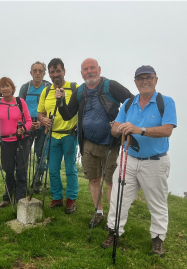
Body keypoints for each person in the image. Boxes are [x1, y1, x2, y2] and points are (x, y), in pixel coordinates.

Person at [101, 65, 177, 257]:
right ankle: (114, 231)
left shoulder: (165, 102)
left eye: (148, 77)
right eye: (140, 78)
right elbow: (114, 128)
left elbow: (167, 130)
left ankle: (158, 239)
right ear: (135, 82)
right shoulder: (128, 103)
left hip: (155, 161)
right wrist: (120, 129)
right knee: (118, 197)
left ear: (156, 80)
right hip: (129, 158)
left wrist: (139, 129)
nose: (144, 81)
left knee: (157, 202)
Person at [58, 58, 133, 227]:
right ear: (81, 73)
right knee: (93, 180)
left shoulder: (111, 86)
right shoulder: (80, 91)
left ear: (99, 69)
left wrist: (122, 124)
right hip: (87, 144)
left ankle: (112, 219)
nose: (89, 71)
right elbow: (68, 114)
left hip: (110, 144)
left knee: (110, 182)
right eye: (85, 69)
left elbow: (132, 101)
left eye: (92, 68)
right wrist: (60, 101)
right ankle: (98, 213)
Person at [37, 58, 79, 214]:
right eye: (52, 72)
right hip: (52, 136)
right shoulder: (46, 91)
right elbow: (40, 112)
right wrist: (43, 119)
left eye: (58, 71)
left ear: (64, 71)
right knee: (53, 169)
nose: (55, 74)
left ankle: (71, 199)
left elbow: (84, 108)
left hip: (69, 136)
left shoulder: (74, 88)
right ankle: (57, 197)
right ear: (49, 74)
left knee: (70, 169)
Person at [0, 77, 32, 207]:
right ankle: (7, 197)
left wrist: (24, 128)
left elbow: (29, 120)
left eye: (8, 86)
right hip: (6, 141)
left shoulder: (20, 102)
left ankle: (20, 198)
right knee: (8, 170)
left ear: (13, 88)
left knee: (21, 169)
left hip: (21, 141)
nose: (5, 88)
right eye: (2, 87)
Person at [18, 61, 51, 193]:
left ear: (44, 73)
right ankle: (21, 181)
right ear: (31, 73)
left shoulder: (48, 87)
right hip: (27, 126)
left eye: (40, 71)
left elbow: (51, 107)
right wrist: (27, 124)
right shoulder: (25, 88)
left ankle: (38, 180)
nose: (37, 73)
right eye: (35, 70)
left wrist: (42, 122)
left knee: (41, 154)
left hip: (43, 126)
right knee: (23, 154)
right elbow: (19, 108)